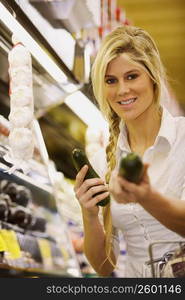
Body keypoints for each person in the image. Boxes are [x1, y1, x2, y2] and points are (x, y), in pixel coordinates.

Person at [74, 25, 185, 278]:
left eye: (132, 76)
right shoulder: (104, 160)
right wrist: (89, 215)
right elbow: (105, 267)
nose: (122, 90)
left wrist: (146, 197)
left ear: (153, 76)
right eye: (111, 81)